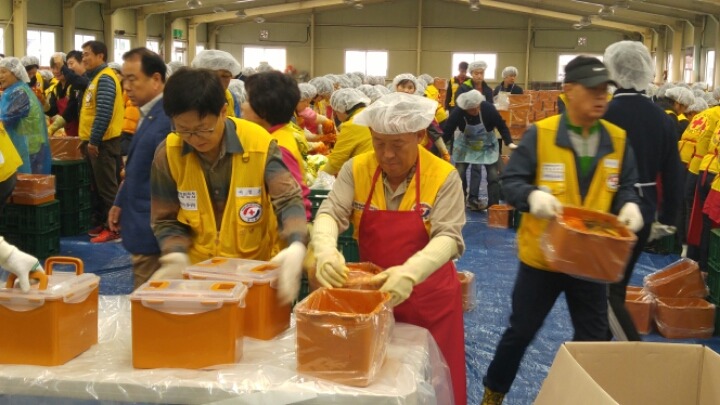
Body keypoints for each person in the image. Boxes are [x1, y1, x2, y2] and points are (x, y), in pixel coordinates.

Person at [481, 56, 641, 405]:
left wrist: (630, 204)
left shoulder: (617, 139)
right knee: (521, 331)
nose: (601, 97)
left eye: (605, 90)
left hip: (592, 261)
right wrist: (531, 196)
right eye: (592, 89)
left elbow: (626, 186)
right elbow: (511, 182)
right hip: (544, 257)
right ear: (569, 90)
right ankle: (494, 392)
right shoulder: (543, 134)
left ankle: (583, 398)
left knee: (593, 339)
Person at [312, 92, 466, 405]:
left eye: (398, 144)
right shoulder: (357, 169)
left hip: (430, 299)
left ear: (420, 136)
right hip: (374, 297)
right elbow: (330, 212)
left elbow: (449, 237)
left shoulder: (443, 176)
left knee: (434, 382)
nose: (387, 154)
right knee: (379, 382)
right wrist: (325, 248)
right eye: (379, 143)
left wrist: (411, 272)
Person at [149, 68, 307, 304]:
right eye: (184, 130)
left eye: (203, 129)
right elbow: (165, 218)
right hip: (198, 276)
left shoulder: (258, 143)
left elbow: (288, 199)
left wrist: (295, 243)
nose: (195, 138)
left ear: (223, 112)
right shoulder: (169, 153)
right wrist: (175, 252)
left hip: (252, 275)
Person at [602, 40, 683, 341]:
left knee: (606, 293)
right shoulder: (662, 118)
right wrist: (668, 218)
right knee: (613, 287)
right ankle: (597, 349)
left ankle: (634, 355)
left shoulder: (604, 113)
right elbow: (674, 174)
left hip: (607, 213)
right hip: (645, 212)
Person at [106, 48, 171, 287]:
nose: (127, 87)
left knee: (150, 300)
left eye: (133, 79)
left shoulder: (166, 120)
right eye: (124, 80)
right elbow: (139, 167)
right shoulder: (149, 113)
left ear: (156, 79)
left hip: (153, 234)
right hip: (139, 223)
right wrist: (120, 201)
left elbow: (167, 181)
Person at [241, 71, 313, 221]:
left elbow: (296, 199)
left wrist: (295, 231)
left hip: (278, 232)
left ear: (262, 110)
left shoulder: (278, 148)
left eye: (247, 100)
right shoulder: (277, 135)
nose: (242, 106)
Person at [79, 40, 125, 243]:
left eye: (87, 54)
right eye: (83, 54)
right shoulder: (95, 78)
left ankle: (114, 228)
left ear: (101, 56)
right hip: (95, 141)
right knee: (98, 186)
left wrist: (94, 141)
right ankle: (105, 222)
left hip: (103, 143)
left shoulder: (105, 78)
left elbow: (104, 112)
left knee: (107, 188)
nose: (84, 58)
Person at [443, 90, 516, 210]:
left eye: (477, 107)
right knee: (459, 173)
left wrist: (509, 142)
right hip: (467, 145)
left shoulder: (488, 108)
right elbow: (447, 132)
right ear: (465, 109)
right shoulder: (458, 112)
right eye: (471, 110)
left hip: (487, 145)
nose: (475, 111)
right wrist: (437, 150)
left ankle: (494, 207)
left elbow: (501, 126)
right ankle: (459, 204)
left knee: (493, 175)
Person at [0, 57, 51, 174]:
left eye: (3, 72)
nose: (0, 76)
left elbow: (7, 119)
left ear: (15, 73)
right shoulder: (12, 91)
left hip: (29, 147)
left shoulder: (20, 93)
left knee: (27, 180)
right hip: (24, 145)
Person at [392, 73, 451, 161]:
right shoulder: (390, 107)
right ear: (396, 87)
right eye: (403, 87)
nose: (406, 90)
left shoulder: (421, 108)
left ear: (415, 89)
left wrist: (444, 150)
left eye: (410, 87)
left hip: (419, 149)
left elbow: (433, 129)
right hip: (396, 150)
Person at [319, 88, 373, 176]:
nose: (336, 116)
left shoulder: (352, 125)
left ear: (341, 109)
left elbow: (336, 160)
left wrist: (320, 177)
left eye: (336, 112)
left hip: (366, 173)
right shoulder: (369, 114)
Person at [191, 50, 242, 117]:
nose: (218, 81)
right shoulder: (189, 98)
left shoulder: (231, 97)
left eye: (225, 76)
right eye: (212, 76)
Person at [46, 52, 80, 137]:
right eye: (53, 68)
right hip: (65, 132)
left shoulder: (75, 86)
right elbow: (53, 111)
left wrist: (53, 127)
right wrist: (43, 102)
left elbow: (72, 110)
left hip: (79, 130)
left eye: (58, 67)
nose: (56, 71)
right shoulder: (55, 90)